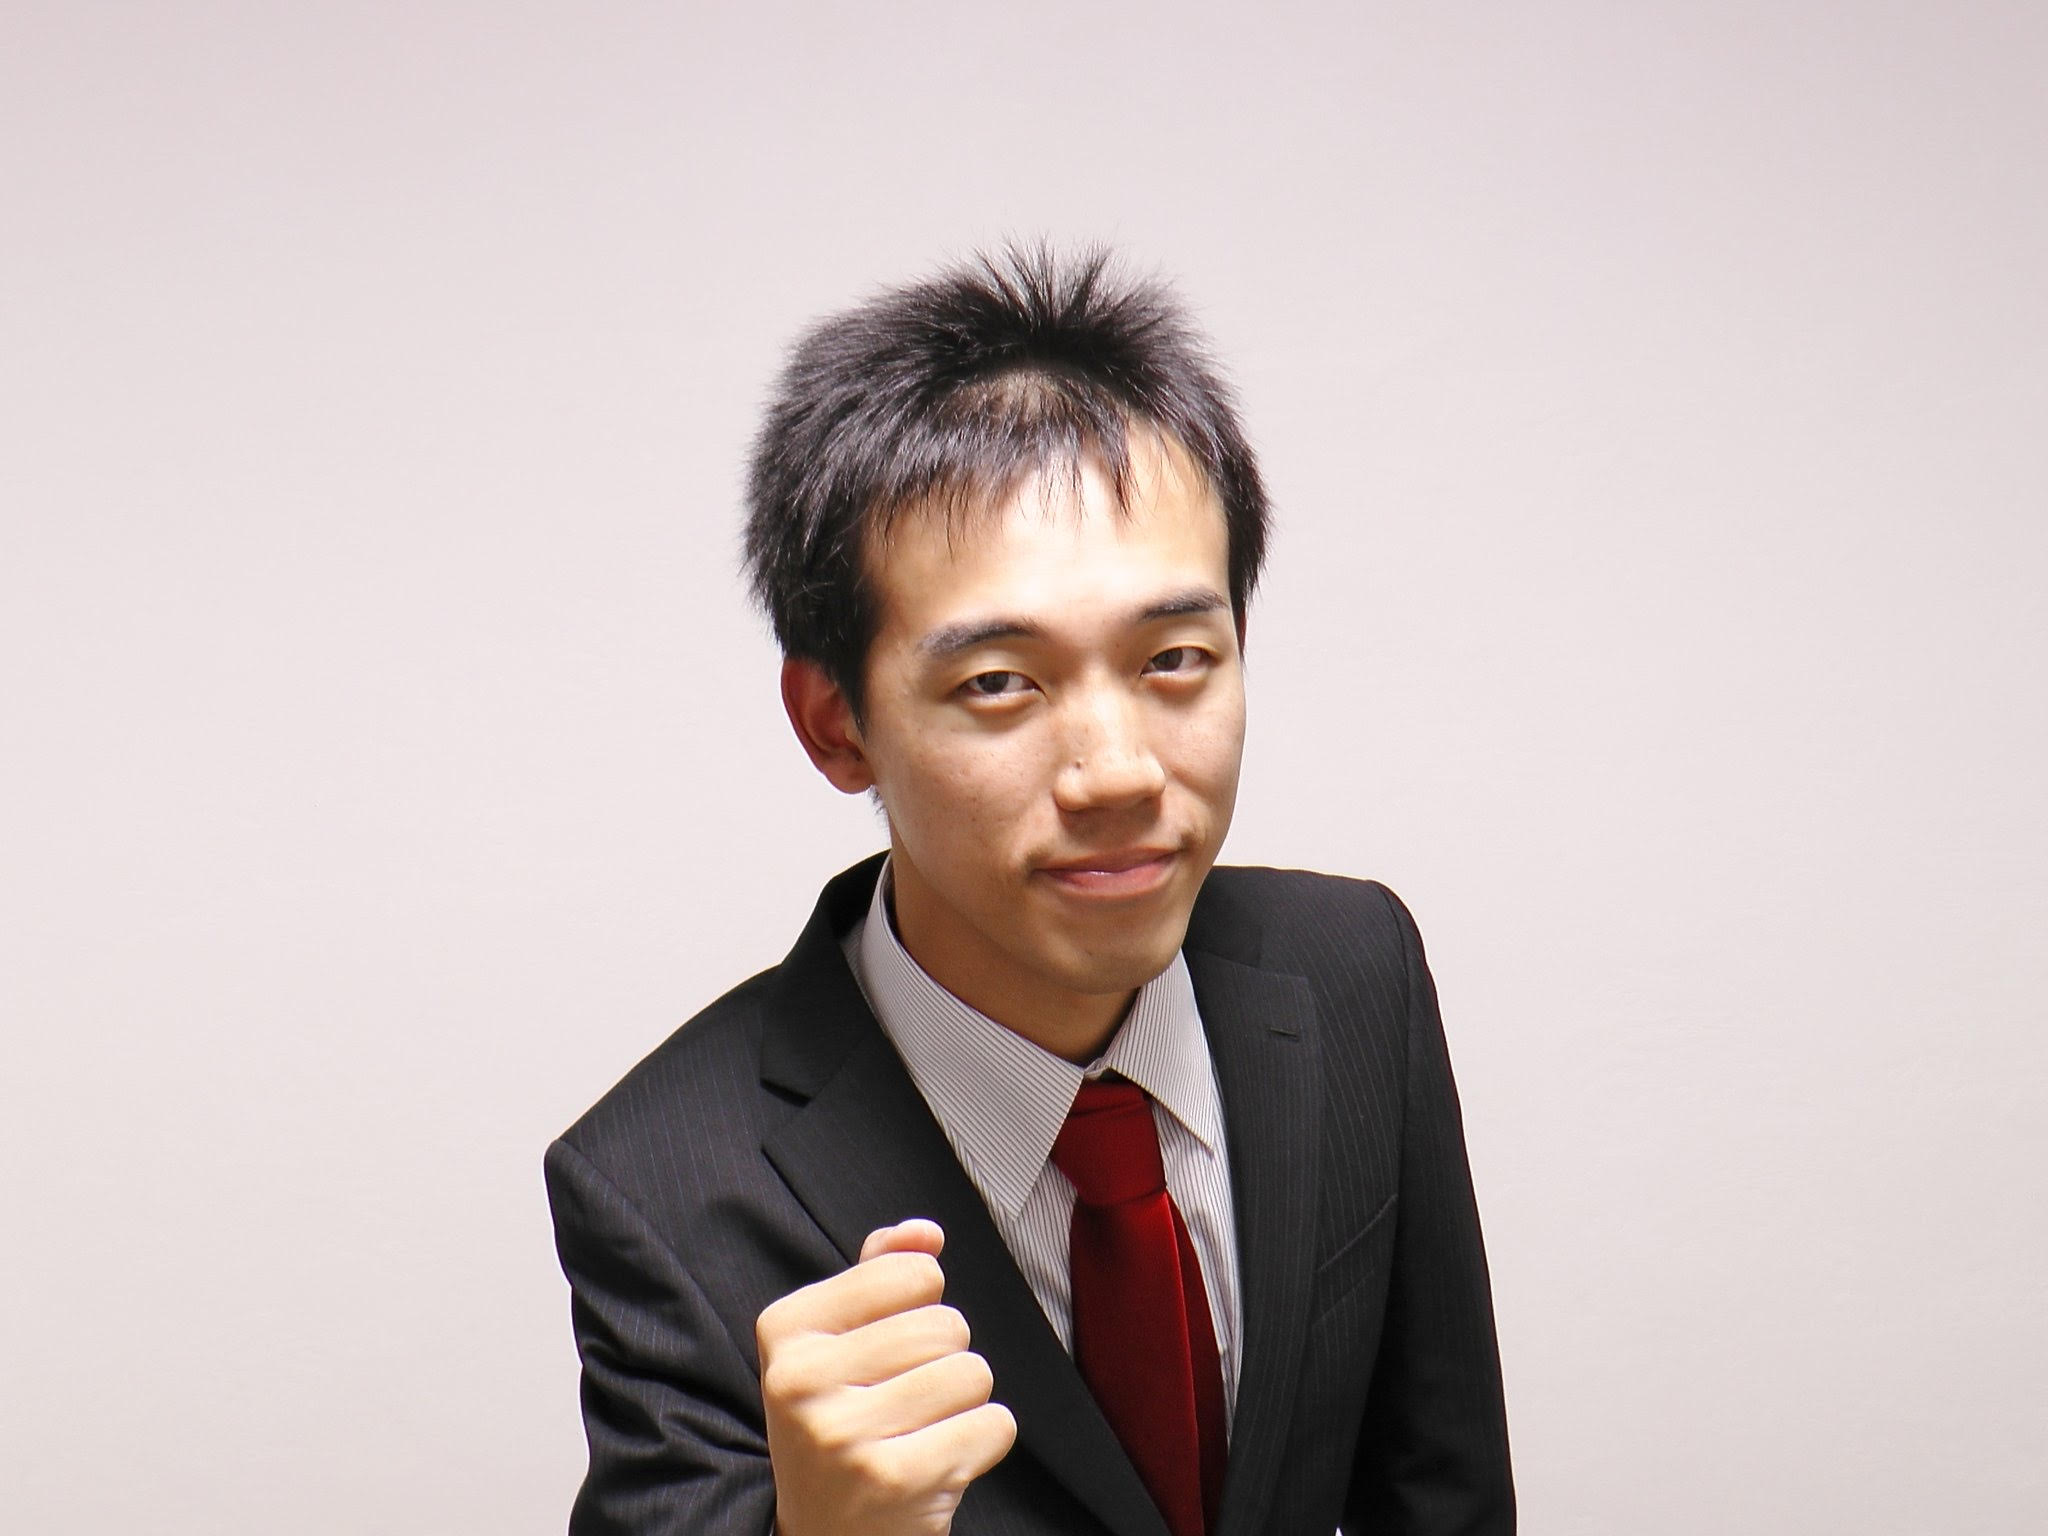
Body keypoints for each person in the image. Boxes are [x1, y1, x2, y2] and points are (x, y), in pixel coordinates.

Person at [544, 247, 1514, 1536]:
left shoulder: (1354, 973)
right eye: (999, 683)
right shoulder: (661, 1185)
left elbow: (1444, 1495)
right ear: (834, 722)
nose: (1118, 773)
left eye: (1176, 658)